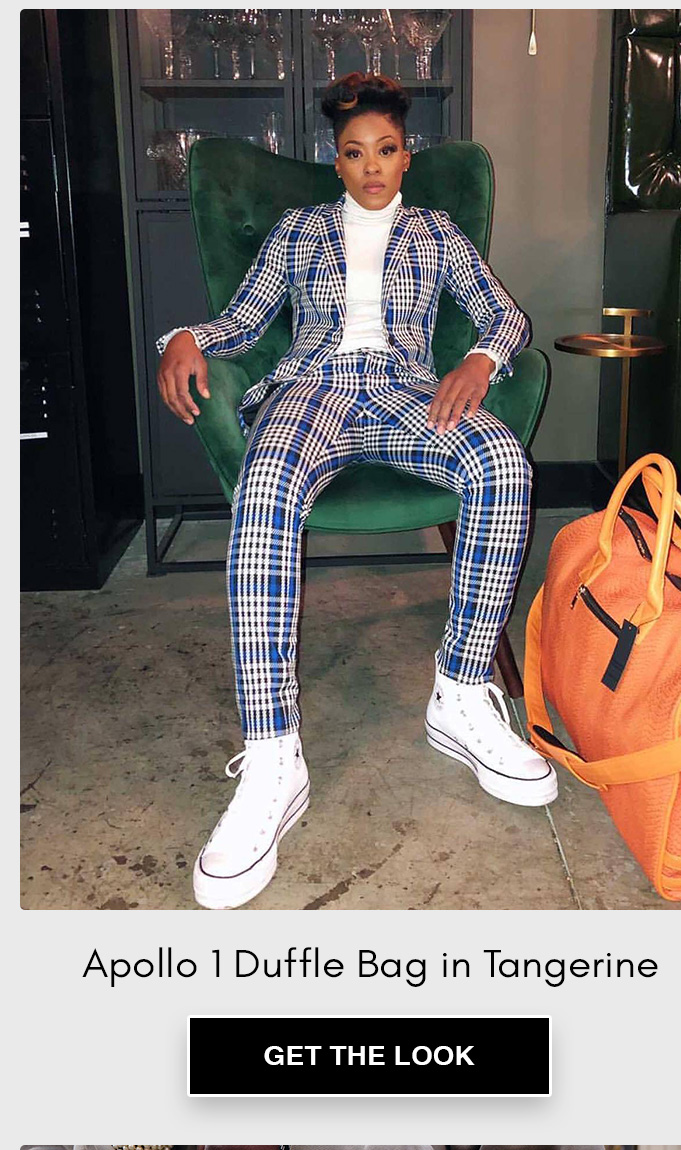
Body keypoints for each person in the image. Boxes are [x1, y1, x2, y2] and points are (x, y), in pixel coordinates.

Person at [156, 72, 557, 911]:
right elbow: (243, 320)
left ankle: (460, 693)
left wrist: (480, 360)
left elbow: (504, 315)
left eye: (385, 149)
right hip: (313, 390)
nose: (371, 166)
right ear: (335, 161)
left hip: (408, 390)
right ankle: (273, 755)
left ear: (406, 157)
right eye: (353, 153)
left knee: (503, 465)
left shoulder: (437, 231)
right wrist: (184, 336)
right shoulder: (298, 230)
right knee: (265, 490)